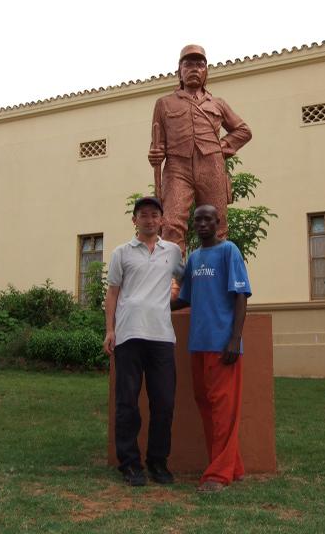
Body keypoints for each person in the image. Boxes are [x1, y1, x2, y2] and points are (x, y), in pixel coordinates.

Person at [103, 196, 183, 486]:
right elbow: (112, 293)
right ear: (134, 220)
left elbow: (184, 279)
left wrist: (176, 295)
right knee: (127, 402)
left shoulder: (172, 251)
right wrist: (110, 330)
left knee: (164, 402)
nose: (149, 220)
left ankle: (157, 462)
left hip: (162, 337)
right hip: (129, 335)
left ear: (161, 220)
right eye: (143, 215)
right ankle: (129, 463)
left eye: (154, 215)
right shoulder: (121, 253)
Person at [172, 204, 251, 492]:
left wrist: (235, 338)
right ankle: (233, 466)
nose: (202, 223)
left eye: (208, 219)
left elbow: (241, 296)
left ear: (218, 222)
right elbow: (185, 299)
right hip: (198, 344)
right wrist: (151, 303)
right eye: (198, 220)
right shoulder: (194, 258)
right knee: (206, 406)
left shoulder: (229, 251)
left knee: (224, 410)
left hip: (223, 345)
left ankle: (218, 475)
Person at [148, 44, 252, 256]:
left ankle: (215, 272)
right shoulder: (164, 103)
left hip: (212, 166)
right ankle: (173, 275)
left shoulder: (218, 104)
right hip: (177, 168)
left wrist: (221, 148)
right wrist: (155, 154)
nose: (194, 69)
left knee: (216, 224)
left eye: (199, 64)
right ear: (179, 72)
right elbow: (157, 144)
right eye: (188, 64)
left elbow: (243, 131)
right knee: (171, 224)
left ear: (206, 72)